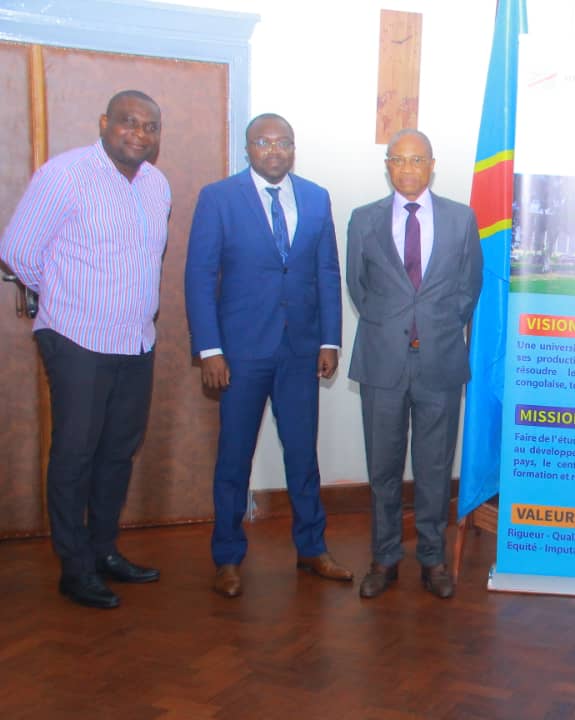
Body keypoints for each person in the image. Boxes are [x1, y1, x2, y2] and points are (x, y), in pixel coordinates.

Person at [0, 90, 170, 609]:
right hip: (77, 339)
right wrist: (64, 296)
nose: (139, 133)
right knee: (75, 454)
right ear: (104, 123)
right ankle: (74, 568)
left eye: (150, 126)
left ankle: (103, 551)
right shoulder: (65, 175)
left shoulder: (157, 184)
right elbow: (16, 252)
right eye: (128, 122)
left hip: (136, 340)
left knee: (118, 451)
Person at [185, 113, 352, 599]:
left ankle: (312, 548)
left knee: (302, 455)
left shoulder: (316, 197)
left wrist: (330, 340)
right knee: (234, 459)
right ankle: (227, 557)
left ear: (293, 149)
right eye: (264, 142)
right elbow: (200, 277)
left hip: (300, 351)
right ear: (248, 148)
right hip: (239, 354)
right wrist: (210, 349)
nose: (274, 150)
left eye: (283, 143)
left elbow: (327, 272)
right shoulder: (219, 198)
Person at [346, 129, 482, 600]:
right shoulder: (363, 219)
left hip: (440, 362)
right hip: (382, 361)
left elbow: (469, 288)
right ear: (387, 165)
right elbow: (359, 287)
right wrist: (393, 326)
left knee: (434, 468)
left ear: (432, 165)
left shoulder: (461, 219)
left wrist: (436, 326)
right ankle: (384, 558)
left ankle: (432, 558)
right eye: (398, 159)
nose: (407, 168)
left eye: (417, 159)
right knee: (382, 468)